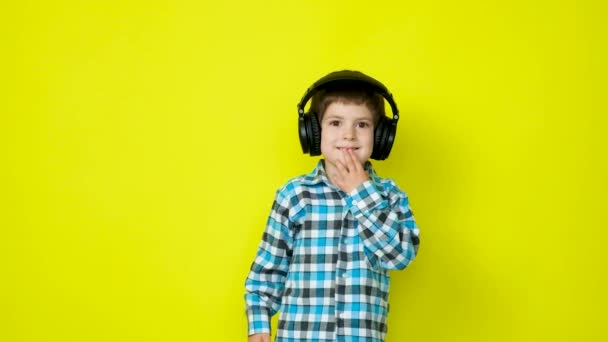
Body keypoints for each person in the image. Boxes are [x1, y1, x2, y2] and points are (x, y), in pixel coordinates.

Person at [244, 70, 420, 342]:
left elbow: (399, 256)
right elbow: (266, 273)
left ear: (381, 136)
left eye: (362, 125)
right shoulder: (295, 195)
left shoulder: (391, 196)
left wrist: (362, 193)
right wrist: (259, 327)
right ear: (313, 132)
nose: (348, 135)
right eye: (336, 123)